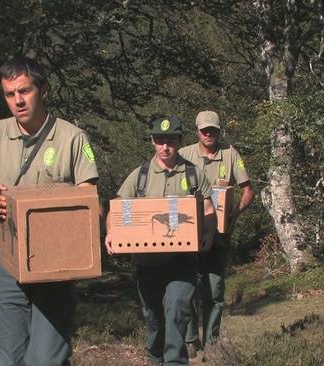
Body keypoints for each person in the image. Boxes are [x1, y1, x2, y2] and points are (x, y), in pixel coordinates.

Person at [0, 56, 99, 365]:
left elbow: (90, 199)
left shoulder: (72, 138)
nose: (18, 101)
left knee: (47, 358)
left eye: (25, 91)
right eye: (10, 94)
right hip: (7, 257)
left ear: (42, 90)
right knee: (9, 356)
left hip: (56, 261)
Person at [105, 116, 216, 366]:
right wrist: (112, 232)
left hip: (183, 260)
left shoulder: (193, 174)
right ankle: (155, 357)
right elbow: (117, 208)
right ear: (152, 142)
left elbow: (208, 209)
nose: (165, 147)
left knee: (177, 308)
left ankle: (175, 361)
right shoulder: (140, 176)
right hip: (147, 262)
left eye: (171, 141)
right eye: (159, 141)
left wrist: (208, 234)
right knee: (154, 317)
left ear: (179, 141)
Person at [178, 110, 255, 357]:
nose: (208, 134)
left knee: (214, 290)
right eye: (204, 130)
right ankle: (190, 340)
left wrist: (234, 215)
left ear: (219, 130)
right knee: (187, 287)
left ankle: (212, 342)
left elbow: (248, 191)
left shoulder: (231, 154)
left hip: (219, 235)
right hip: (189, 234)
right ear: (197, 131)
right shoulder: (184, 155)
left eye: (212, 129)